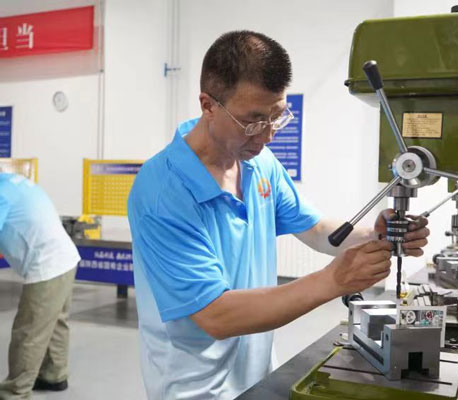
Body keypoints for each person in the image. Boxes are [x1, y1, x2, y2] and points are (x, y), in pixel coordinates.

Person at [128, 30, 430, 400]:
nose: (267, 136)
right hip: (194, 388)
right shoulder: (163, 190)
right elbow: (215, 316)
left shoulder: (259, 163)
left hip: (256, 375)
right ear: (208, 105)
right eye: (253, 121)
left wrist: (376, 235)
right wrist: (333, 280)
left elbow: (315, 228)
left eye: (277, 117)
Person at [0, 173, 81, 399]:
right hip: (65, 257)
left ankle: (15, 391)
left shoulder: (2, 193)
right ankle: (54, 374)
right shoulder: (12, 181)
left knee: (29, 329)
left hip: (47, 264)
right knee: (55, 321)